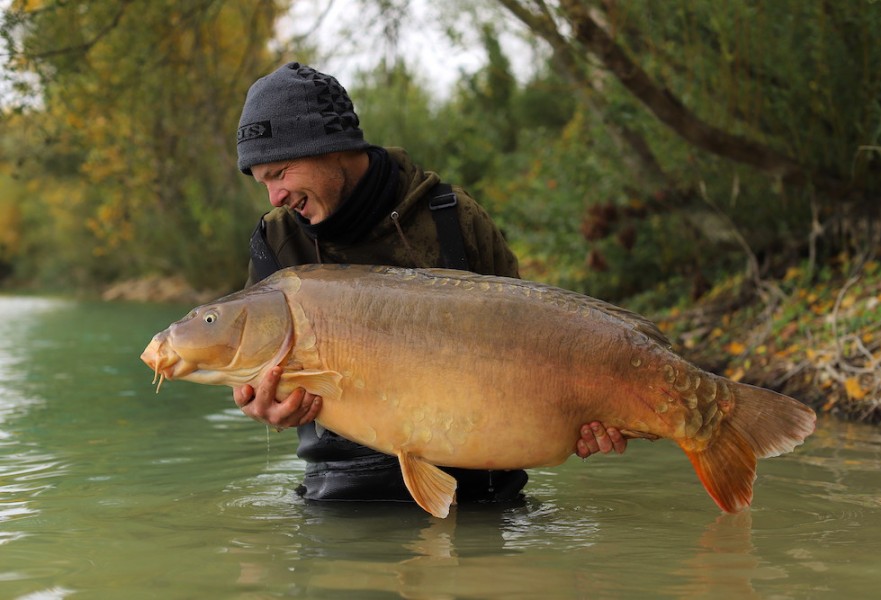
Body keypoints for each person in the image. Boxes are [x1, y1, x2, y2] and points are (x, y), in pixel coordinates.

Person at [230, 62, 627, 505]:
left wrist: (581, 415)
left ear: (331, 146)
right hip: (342, 495)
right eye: (264, 183)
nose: (275, 198)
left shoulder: (451, 217)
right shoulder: (277, 241)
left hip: (483, 492)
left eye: (280, 173)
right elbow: (253, 376)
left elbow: (532, 346)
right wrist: (259, 406)